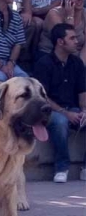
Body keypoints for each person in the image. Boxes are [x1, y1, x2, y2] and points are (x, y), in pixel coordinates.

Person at [33, 23, 86, 183]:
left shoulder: (77, 63)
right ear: (60, 42)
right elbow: (42, 96)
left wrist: (84, 110)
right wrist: (65, 113)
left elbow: (82, 91)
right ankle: (62, 167)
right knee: (61, 122)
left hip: (74, 109)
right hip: (50, 111)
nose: (76, 41)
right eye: (72, 38)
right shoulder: (44, 63)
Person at [37, 0, 86, 65]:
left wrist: (81, 64)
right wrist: (70, 16)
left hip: (77, 56)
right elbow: (67, 41)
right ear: (66, 0)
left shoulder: (84, 13)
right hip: (52, 56)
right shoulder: (54, 14)